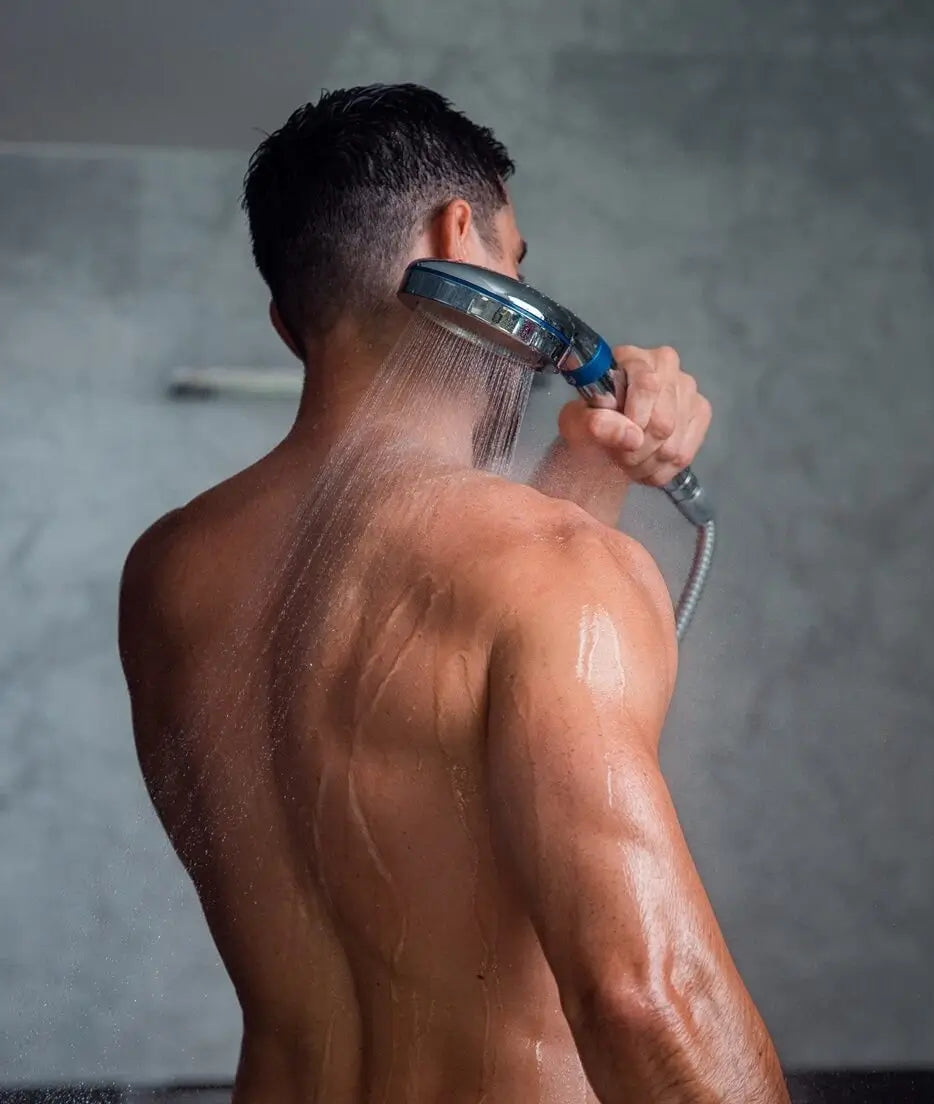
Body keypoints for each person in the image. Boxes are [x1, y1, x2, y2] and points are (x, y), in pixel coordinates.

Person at [118, 84, 789, 1103]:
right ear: (459, 233)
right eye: (519, 265)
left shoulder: (167, 570)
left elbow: (423, 738)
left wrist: (590, 469)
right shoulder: (552, 570)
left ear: (288, 321)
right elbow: (647, 1001)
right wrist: (572, 518)